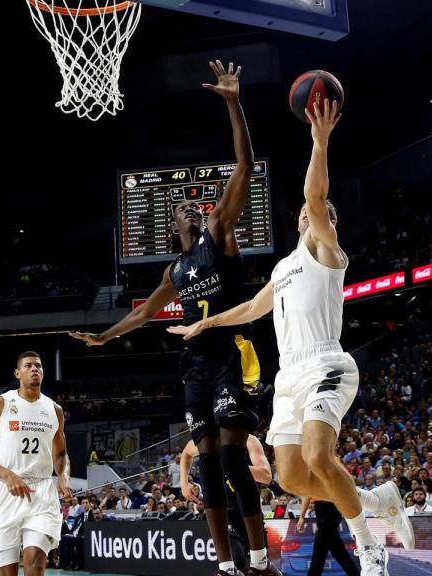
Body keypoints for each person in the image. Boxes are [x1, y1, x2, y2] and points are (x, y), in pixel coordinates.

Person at [169, 97, 413, 576]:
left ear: (327, 224)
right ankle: (375, 499)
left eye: (313, 211)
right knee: (293, 479)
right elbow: (252, 307)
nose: (305, 213)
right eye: (302, 213)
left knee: (321, 454)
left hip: (326, 364)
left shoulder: (326, 250)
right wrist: (206, 322)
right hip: (287, 378)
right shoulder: (284, 267)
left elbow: (316, 197)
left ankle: (370, 549)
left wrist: (319, 142)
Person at [71, 61, 275, 576]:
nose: (189, 206)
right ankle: (227, 567)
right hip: (195, 365)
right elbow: (143, 313)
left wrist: (233, 102)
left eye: (193, 203)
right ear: (171, 226)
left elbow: (245, 165)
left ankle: (258, 558)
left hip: (233, 352)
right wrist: (103, 339)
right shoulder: (176, 268)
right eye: (181, 207)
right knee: (207, 464)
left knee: (232, 458)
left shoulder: (219, 232)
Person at [0, 352, 71, 576]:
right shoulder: (1, 404)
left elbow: (61, 454)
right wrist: (7, 475)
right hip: (7, 493)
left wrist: (63, 476)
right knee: (5, 572)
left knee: (35, 563)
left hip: (41, 492)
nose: (35, 369)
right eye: (28, 366)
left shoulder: (54, 410)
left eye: (38, 366)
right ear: (18, 373)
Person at [179, 435, 273, 573]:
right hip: (228, 516)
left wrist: (232, 465)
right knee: (236, 559)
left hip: (250, 513)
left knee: (260, 568)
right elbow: (187, 453)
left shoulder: (249, 440)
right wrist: (184, 482)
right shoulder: (208, 439)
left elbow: (266, 475)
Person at [298, 495, 360, 576]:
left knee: (319, 554)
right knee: (339, 552)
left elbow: (306, 494)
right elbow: (306, 494)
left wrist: (302, 516)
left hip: (331, 506)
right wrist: (301, 516)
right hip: (321, 508)